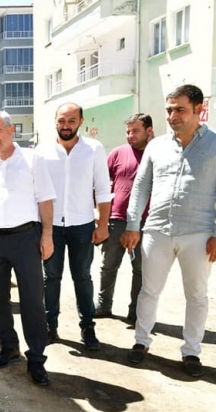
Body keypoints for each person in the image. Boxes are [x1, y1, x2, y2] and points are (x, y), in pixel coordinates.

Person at [121, 84, 216, 377]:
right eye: (169, 109)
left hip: (199, 233)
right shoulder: (156, 146)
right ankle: (141, 342)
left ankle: (192, 350)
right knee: (149, 290)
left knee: (197, 294)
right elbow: (141, 186)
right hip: (157, 230)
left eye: (180, 109)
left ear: (199, 110)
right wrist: (134, 225)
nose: (172, 115)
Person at [0, 111, 56, 386]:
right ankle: (9, 347)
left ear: (10, 131)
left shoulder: (33, 159)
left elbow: (45, 200)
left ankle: (36, 359)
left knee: (32, 300)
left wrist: (47, 235)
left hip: (26, 238)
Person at [34, 102, 112, 350]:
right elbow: (34, 191)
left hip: (83, 226)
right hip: (51, 227)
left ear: (80, 121)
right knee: (51, 278)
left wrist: (103, 224)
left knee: (83, 278)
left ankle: (88, 328)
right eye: (61, 121)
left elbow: (102, 189)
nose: (65, 126)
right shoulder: (42, 151)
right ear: (55, 121)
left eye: (70, 121)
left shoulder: (94, 149)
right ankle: (50, 327)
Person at [95, 114, 154, 322]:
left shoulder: (158, 154)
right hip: (116, 220)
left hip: (147, 222)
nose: (130, 136)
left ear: (149, 130)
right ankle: (103, 305)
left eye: (135, 131)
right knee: (108, 264)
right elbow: (100, 182)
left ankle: (136, 311)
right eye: (128, 131)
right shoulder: (118, 153)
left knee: (140, 269)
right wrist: (98, 212)